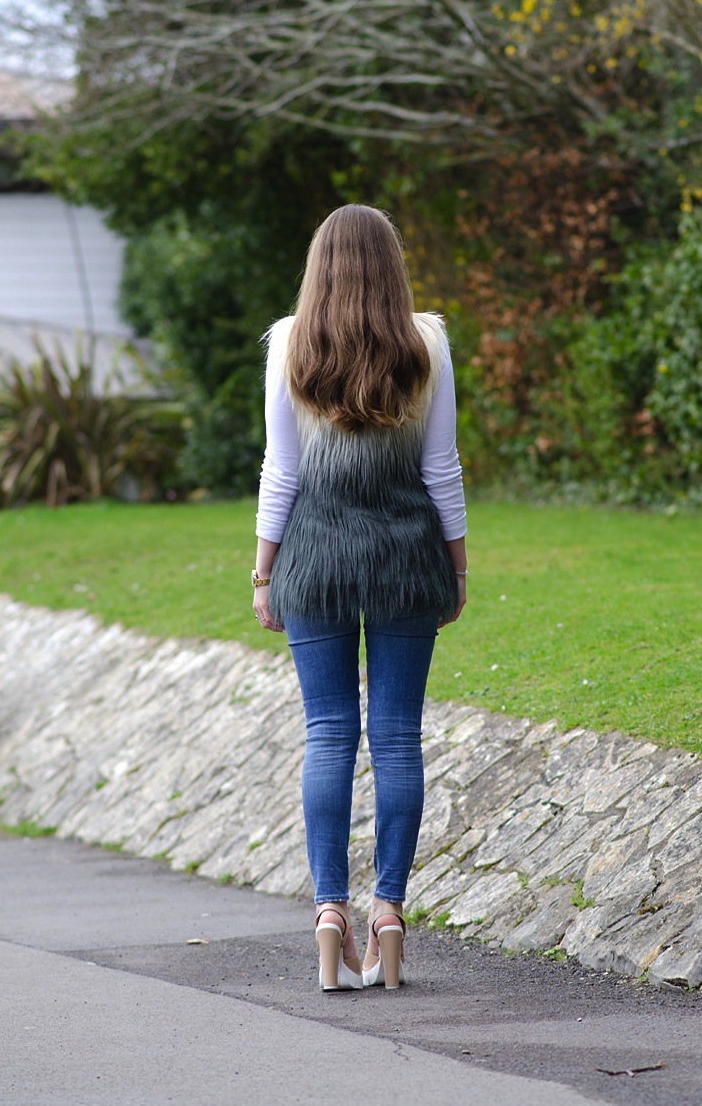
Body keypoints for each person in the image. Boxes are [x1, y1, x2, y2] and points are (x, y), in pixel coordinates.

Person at [252, 204, 467, 992]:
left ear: (320, 265)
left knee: (328, 732)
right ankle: (387, 915)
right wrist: (459, 567)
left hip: (313, 560)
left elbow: (282, 472)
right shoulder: (428, 342)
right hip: (409, 557)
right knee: (398, 735)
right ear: (391, 265)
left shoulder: (289, 340)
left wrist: (262, 569)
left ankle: (328, 916)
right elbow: (440, 466)